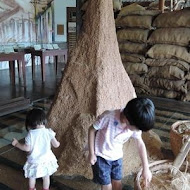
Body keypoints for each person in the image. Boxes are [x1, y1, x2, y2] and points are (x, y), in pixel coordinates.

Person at [88, 97, 155, 190]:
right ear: (127, 121)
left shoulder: (134, 123)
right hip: (101, 157)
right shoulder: (108, 117)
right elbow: (91, 130)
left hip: (117, 156)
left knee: (117, 184)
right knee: (107, 186)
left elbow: (140, 144)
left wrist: (146, 168)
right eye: (137, 128)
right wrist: (92, 153)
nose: (137, 131)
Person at [12, 108, 60, 190]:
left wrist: (17, 144)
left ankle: (32, 188)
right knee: (46, 177)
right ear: (44, 120)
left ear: (30, 123)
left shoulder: (31, 134)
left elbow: (27, 148)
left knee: (32, 176)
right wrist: (58, 143)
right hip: (47, 160)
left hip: (35, 160)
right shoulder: (49, 132)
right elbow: (56, 145)